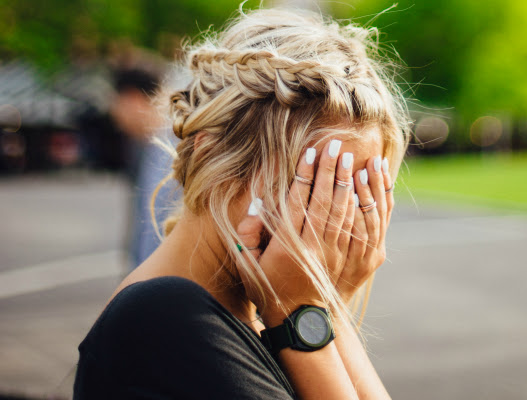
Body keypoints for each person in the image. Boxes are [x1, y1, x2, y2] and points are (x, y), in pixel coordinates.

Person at [73, 6, 410, 399]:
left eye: (360, 191)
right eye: (316, 185)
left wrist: (321, 307)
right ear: (213, 160)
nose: (338, 220)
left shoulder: (253, 310)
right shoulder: (164, 317)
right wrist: (299, 314)